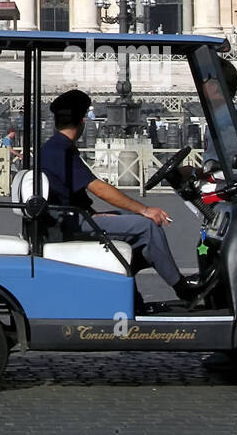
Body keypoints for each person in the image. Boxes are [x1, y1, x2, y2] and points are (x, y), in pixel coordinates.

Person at [39, 89, 211, 303]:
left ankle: (131, 296)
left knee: (136, 228)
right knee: (147, 226)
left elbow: (71, 194)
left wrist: (98, 215)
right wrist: (145, 209)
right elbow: (99, 188)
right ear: (83, 121)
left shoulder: (54, 147)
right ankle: (182, 289)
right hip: (70, 224)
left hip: (72, 218)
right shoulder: (60, 150)